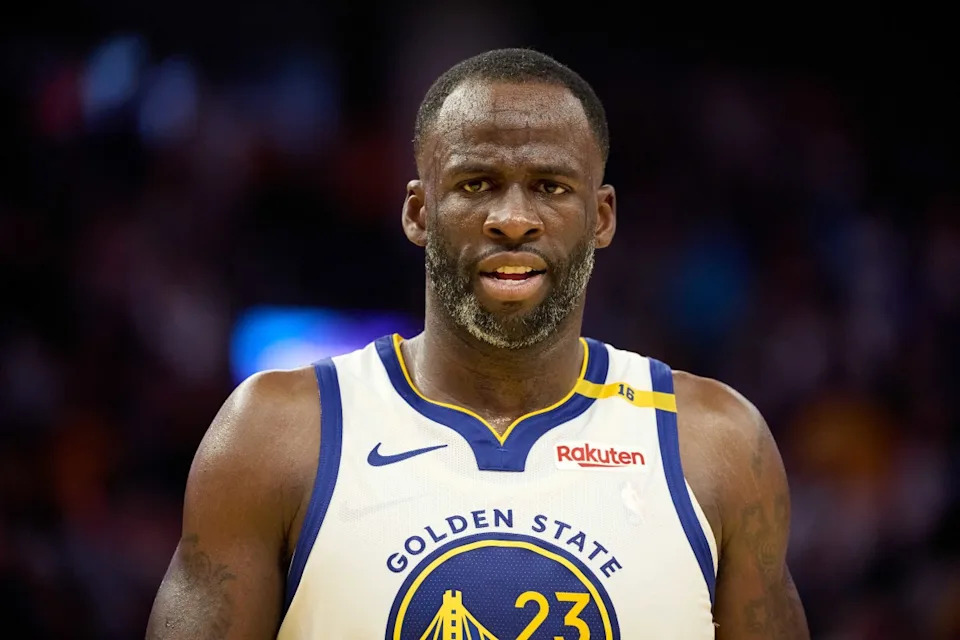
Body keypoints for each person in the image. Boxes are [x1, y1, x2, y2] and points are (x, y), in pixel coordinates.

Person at [146, 47, 809, 639]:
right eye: (476, 184)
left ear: (601, 217)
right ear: (418, 212)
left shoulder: (716, 444)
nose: (513, 220)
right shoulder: (275, 435)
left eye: (550, 187)